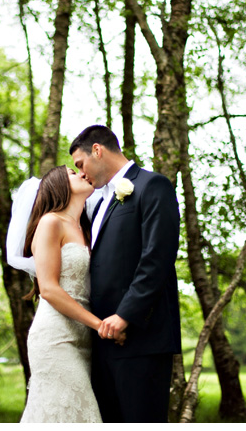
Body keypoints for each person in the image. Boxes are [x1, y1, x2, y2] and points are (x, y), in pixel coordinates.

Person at [69, 125, 181, 423]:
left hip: (141, 336)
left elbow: (157, 257)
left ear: (97, 150)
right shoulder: (98, 200)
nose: (81, 173)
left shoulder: (152, 185)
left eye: (80, 164)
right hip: (103, 336)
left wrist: (125, 315)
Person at [6, 165, 125, 423]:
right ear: (57, 185)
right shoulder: (50, 222)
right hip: (56, 338)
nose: (82, 173)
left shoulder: (87, 229)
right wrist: (100, 325)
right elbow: (48, 289)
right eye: (73, 173)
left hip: (84, 340)